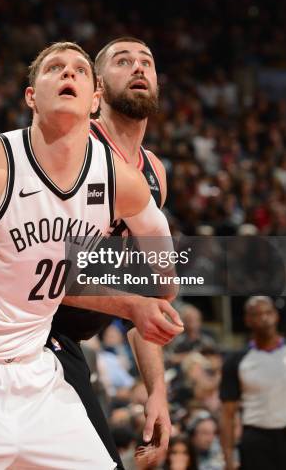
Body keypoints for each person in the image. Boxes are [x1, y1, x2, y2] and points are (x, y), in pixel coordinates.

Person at [0, 42, 182, 469]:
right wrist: (131, 300)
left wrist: (153, 299)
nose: (68, 74)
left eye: (78, 69)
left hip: (34, 373)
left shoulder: (129, 180)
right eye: (55, 68)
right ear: (31, 95)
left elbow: (162, 275)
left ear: (93, 98)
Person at [47, 36, 176, 468]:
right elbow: (39, 274)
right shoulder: (71, 148)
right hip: (24, 331)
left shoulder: (154, 172)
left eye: (147, 62)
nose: (139, 68)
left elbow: (147, 296)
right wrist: (132, 303)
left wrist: (156, 391)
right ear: (97, 87)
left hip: (65, 344)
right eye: (123, 62)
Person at [220, 296, 286, 470]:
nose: (264, 317)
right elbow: (227, 414)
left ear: (276, 316)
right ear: (247, 320)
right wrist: (228, 459)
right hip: (256, 440)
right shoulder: (236, 361)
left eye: (268, 312)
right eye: (257, 314)